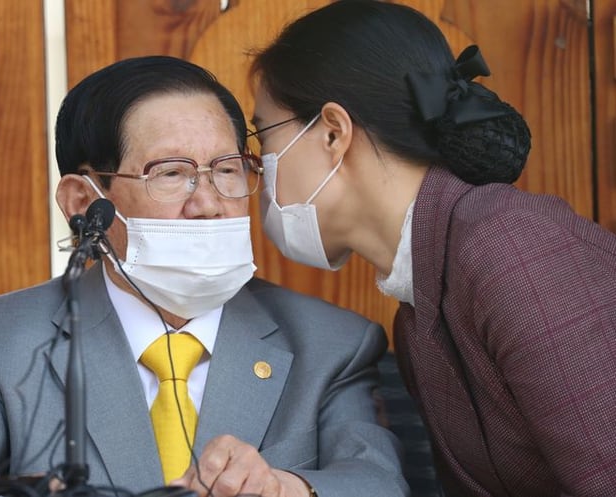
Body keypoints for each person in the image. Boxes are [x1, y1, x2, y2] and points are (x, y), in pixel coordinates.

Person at [0, 55, 408, 497]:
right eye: (170, 173)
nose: (208, 204)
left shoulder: (331, 344)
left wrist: (286, 488)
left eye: (227, 169)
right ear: (83, 202)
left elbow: (379, 482)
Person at [247, 1, 616, 496]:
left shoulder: (509, 247)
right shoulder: (419, 304)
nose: (259, 168)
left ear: (333, 132)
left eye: (263, 136)